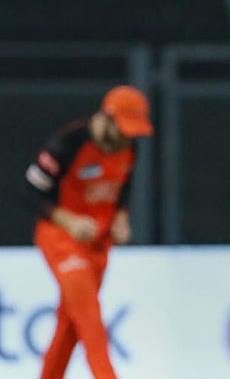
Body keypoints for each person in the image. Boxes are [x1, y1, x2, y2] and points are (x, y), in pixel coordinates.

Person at [24, 85, 154, 379]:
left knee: (69, 324)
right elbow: (30, 193)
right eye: (121, 130)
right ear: (105, 119)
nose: (125, 139)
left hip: (99, 244)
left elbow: (124, 187)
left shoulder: (129, 146)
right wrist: (67, 221)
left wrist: (122, 217)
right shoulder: (68, 142)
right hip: (61, 238)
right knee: (88, 314)